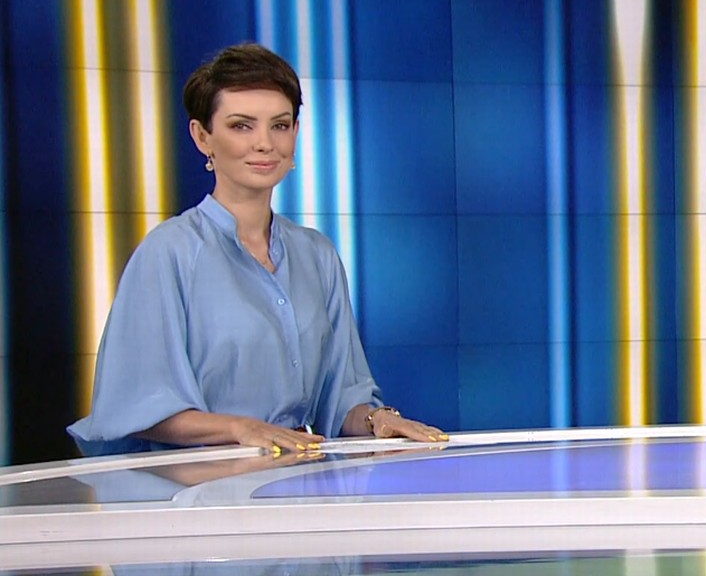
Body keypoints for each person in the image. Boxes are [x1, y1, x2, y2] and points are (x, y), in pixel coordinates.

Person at [67, 43, 448, 456]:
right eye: (242, 126)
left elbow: (340, 399)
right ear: (202, 137)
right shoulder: (169, 253)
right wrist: (241, 429)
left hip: (295, 480)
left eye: (279, 125)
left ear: (295, 133)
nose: (265, 143)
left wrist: (378, 420)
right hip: (195, 487)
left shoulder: (317, 255)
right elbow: (138, 406)